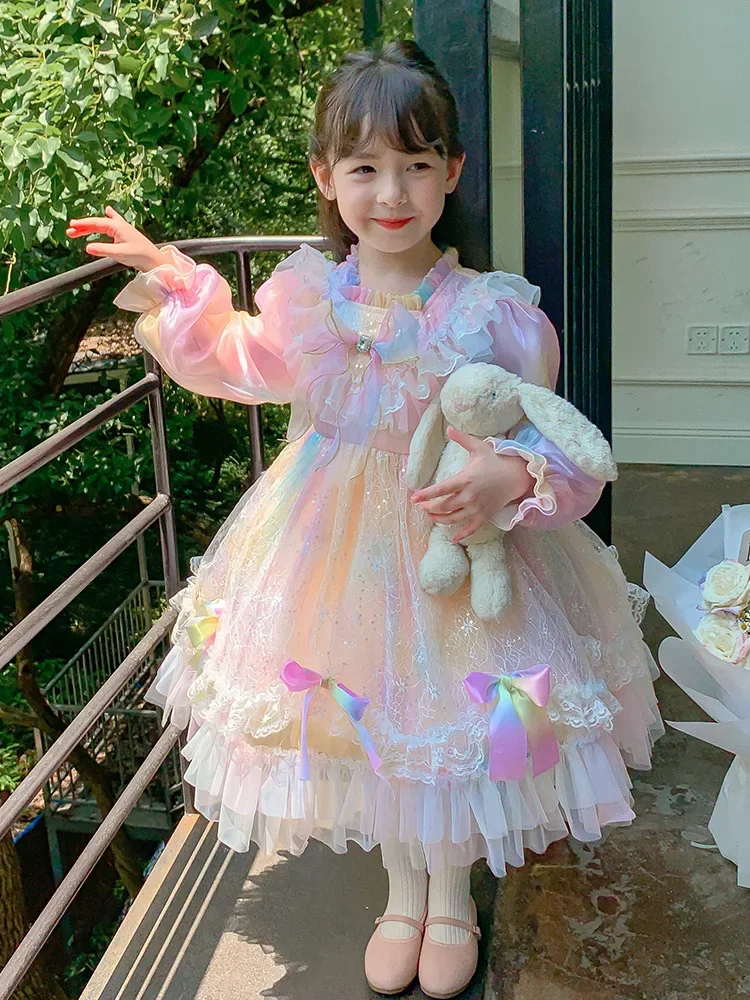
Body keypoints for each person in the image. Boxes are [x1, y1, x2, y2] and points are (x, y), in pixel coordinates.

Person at [67, 39, 662, 1000]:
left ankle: (454, 898)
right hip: (328, 550)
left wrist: (507, 479)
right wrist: (175, 275)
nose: (393, 191)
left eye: (418, 164)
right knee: (369, 716)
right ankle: (399, 890)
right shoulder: (310, 297)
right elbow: (239, 360)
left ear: (452, 171)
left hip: (457, 553)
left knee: (455, 717)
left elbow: (558, 441)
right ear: (326, 177)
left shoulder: (495, 314)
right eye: (366, 167)